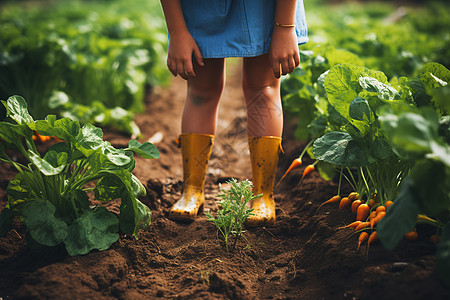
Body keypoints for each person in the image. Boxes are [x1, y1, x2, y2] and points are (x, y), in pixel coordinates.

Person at [159, 0, 308, 226]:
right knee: (201, 91)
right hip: (201, 7)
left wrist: (284, 27)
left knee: (263, 90)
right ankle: (191, 191)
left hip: (267, 7)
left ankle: (263, 197)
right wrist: (177, 31)